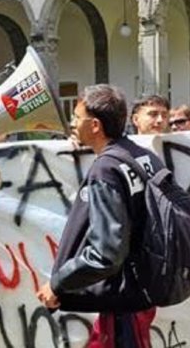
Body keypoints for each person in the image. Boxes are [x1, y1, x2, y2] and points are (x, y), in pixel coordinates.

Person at [36, 84, 164, 347]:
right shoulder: (141, 156)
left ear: (95, 125)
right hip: (139, 294)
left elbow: (107, 253)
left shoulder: (106, 170)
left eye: (76, 117)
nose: (72, 123)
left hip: (123, 304)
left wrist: (59, 284)